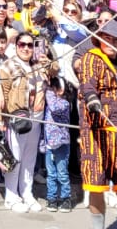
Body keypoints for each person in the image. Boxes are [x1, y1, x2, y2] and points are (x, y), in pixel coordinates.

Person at [75, 20, 117, 229]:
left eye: (115, 39)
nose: (110, 42)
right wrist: (92, 98)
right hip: (96, 128)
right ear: (99, 38)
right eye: (106, 38)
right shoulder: (91, 58)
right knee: (96, 184)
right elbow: (87, 83)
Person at [0, 32, 52, 213]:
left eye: (30, 45)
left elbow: (57, 71)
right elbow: (3, 94)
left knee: (30, 159)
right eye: (23, 44)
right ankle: (11, 196)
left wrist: (48, 60)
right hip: (17, 118)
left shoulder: (39, 65)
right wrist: (1, 119)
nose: (27, 48)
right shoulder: (8, 65)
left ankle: (27, 193)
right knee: (15, 158)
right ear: (16, 46)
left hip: (36, 118)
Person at [42, 75, 73, 213]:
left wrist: (48, 90)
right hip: (49, 144)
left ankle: (66, 198)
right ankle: (52, 199)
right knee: (51, 174)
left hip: (61, 144)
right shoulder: (50, 102)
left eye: (55, 87)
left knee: (62, 173)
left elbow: (54, 107)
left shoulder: (64, 103)